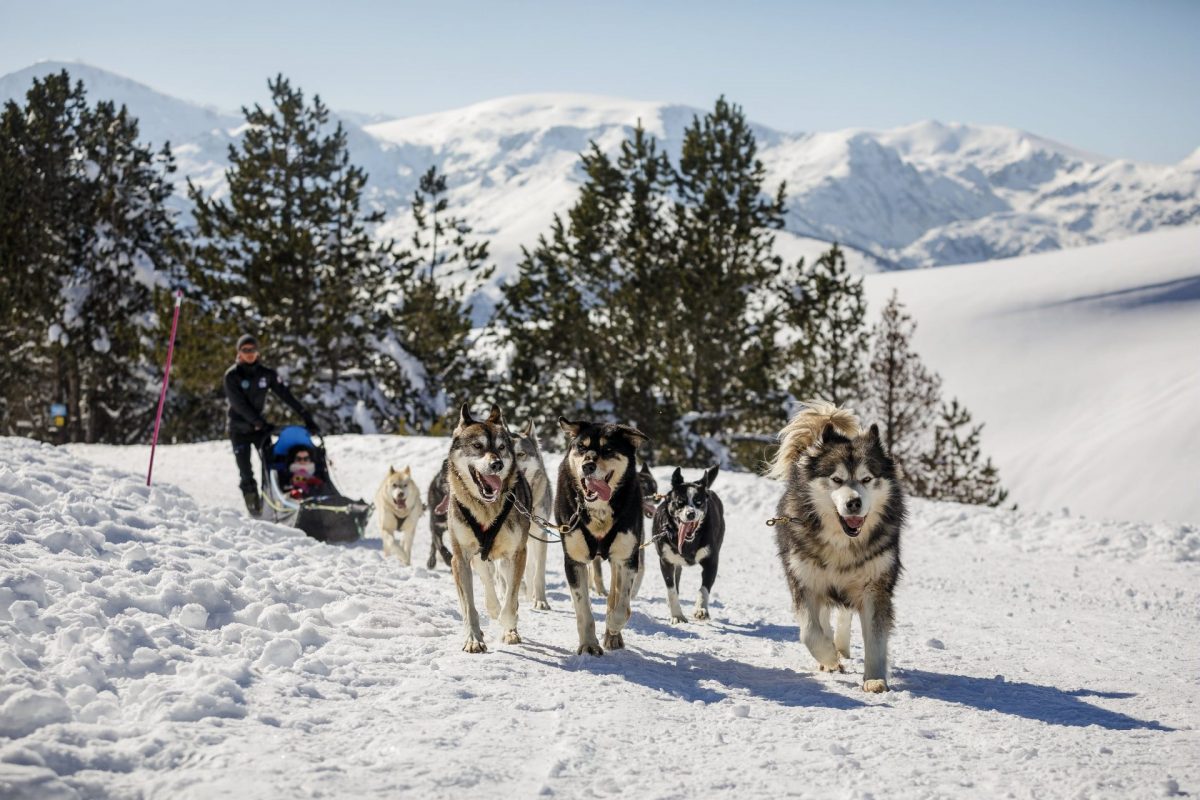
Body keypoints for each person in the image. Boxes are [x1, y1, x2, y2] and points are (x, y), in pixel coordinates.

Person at [224, 334, 319, 515]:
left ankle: (272, 504)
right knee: (246, 472)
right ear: (239, 352)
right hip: (239, 430)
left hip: (260, 431)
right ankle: (255, 511)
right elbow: (239, 405)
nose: (250, 354)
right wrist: (259, 422)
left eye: (252, 349)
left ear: (258, 351)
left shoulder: (266, 374)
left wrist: (306, 416)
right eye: (245, 350)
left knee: (270, 470)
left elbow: (286, 395)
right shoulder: (232, 376)